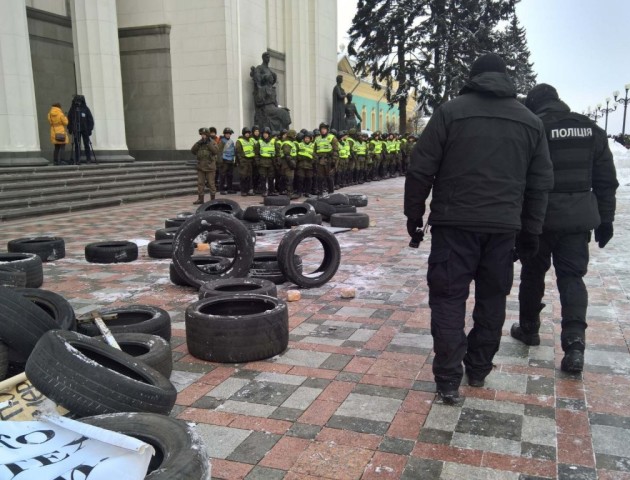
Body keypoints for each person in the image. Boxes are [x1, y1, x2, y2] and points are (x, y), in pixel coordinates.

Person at [404, 53, 554, 405]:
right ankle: (478, 368)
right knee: (491, 299)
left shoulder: (450, 112)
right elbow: (540, 184)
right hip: (502, 229)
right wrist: (531, 231)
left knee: (448, 298)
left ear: (473, 77)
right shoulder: (530, 122)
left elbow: (421, 166)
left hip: (453, 226)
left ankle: (448, 379)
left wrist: (414, 215)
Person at [511, 84, 618, 373]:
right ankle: (574, 344)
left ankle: (529, 327)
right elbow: (606, 180)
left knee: (533, 273)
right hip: (576, 220)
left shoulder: (535, 127)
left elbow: (520, 178)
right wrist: (606, 219)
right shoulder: (590, 129)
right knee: (572, 278)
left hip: (539, 218)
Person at [191, 127, 219, 204]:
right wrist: (198, 143)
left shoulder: (212, 142)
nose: (203, 136)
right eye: (202, 135)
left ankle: (212, 199)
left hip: (210, 166)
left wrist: (208, 143)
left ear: (207, 135)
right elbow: (193, 151)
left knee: (211, 183)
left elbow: (215, 151)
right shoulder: (199, 143)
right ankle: (200, 199)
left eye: (204, 135)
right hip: (201, 167)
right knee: (200, 183)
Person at [313, 122, 339, 197]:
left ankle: (331, 192)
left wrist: (334, 161)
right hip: (320, 160)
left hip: (329, 160)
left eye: (325, 129)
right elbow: (314, 151)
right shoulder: (317, 139)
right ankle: (320, 192)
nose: (323, 131)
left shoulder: (332, 138)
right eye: (322, 129)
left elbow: (335, 150)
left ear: (327, 130)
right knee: (320, 177)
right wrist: (316, 159)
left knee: (329, 177)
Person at [67, 94, 94, 164]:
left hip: (85, 129)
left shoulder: (85, 109)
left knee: (86, 144)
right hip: (76, 129)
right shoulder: (73, 109)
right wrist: (70, 128)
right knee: (77, 145)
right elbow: (69, 119)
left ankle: (88, 159)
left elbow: (90, 119)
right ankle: (77, 159)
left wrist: (90, 129)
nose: (78, 102)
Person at [236, 127, 257, 196]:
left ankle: (249, 190)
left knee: (249, 176)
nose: (247, 134)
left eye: (248, 133)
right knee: (243, 176)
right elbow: (238, 152)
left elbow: (255, 147)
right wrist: (241, 161)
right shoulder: (240, 141)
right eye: (246, 133)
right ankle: (243, 190)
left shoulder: (251, 140)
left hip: (250, 160)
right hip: (244, 160)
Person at [257, 127, 277, 197]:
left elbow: (277, 152)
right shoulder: (259, 142)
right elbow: (256, 153)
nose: (265, 135)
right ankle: (264, 191)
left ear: (269, 134)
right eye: (264, 134)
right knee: (263, 177)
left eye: (266, 134)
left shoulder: (273, 141)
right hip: (262, 162)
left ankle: (271, 191)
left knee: (271, 177)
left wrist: (276, 161)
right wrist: (258, 161)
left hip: (271, 162)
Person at [278, 129, 299, 199]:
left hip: (288, 162)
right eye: (294, 135)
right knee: (289, 178)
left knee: (286, 178)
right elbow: (287, 154)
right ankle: (289, 193)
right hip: (287, 163)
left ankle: (284, 192)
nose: (295, 136)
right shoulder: (287, 143)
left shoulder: (290, 142)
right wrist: (291, 163)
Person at [295, 131, 315, 198]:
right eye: (305, 138)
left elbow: (315, 155)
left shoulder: (313, 145)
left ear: (310, 139)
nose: (307, 139)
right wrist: (301, 158)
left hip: (310, 166)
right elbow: (296, 154)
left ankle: (307, 192)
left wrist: (312, 160)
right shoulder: (300, 144)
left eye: (308, 138)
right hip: (301, 165)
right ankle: (299, 192)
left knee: (309, 179)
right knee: (300, 179)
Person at [218, 127, 236, 194]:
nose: (228, 135)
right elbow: (219, 152)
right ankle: (221, 189)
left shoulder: (231, 141)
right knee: (222, 175)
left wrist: (234, 160)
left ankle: (230, 189)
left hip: (230, 160)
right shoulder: (222, 141)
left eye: (229, 134)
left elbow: (233, 151)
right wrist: (220, 161)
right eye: (227, 134)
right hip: (224, 160)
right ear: (224, 134)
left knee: (230, 175)